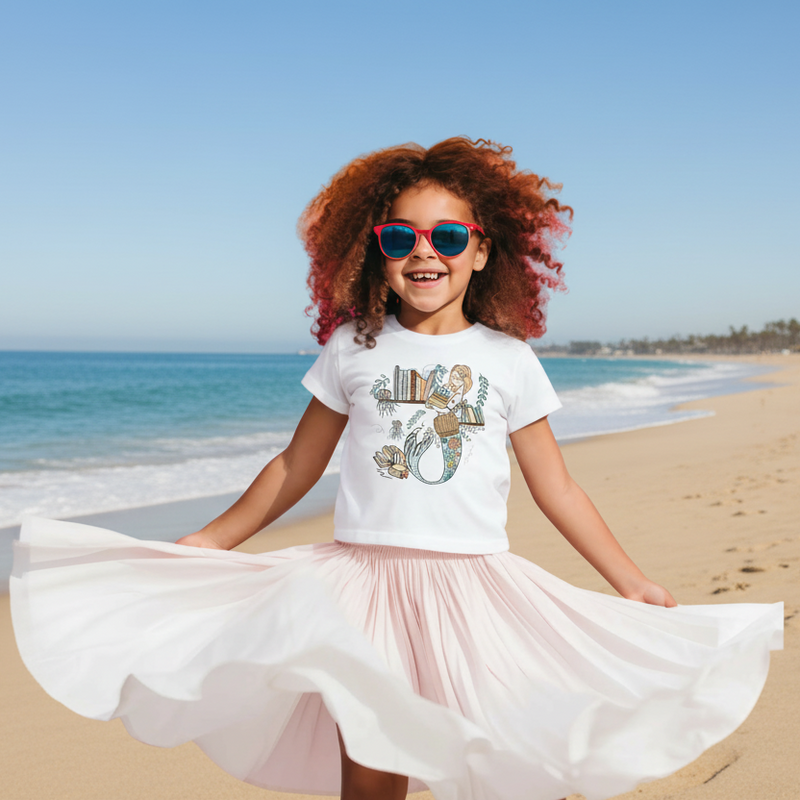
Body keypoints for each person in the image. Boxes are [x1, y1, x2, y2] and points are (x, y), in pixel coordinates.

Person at [11, 138, 783, 800]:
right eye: (401, 238)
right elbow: (295, 464)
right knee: (373, 769)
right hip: (361, 589)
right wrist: (211, 541)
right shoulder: (355, 349)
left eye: (448, 238)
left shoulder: (508, 362)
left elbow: (558, 486)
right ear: (374, 253)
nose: (425, 252)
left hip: (476, 593)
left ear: (481, 252)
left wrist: (630, 581)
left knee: (496, 758)